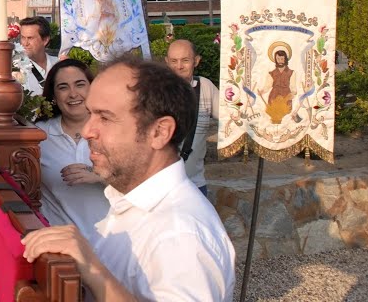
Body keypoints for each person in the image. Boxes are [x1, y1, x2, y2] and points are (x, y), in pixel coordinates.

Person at [23, 56, 235, 300]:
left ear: (159, 132)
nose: (87, 131)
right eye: (91, 114)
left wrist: (93, 270)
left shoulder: (180, 236)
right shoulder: (129, 202)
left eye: (105, 117)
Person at [36, 59, 109, 238]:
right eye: (63, 87)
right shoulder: (38, 135)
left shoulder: (113, 130)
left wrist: (101, 176)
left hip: (115, 245)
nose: (73, 94)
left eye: (80, 84)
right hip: (61, 249)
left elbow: (142, 185)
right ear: (53, 95)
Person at [165, 39, 220, 195]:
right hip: (162, 187)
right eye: (174, 61)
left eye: (185, 60)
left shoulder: (205, 87)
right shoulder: (155, 90)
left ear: (196, 61)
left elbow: (231, 116)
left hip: (195, 184)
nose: (179, 66)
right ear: (167, 62)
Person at [16, 16, 57, 97]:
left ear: (45, 40)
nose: (25, 43)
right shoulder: (15, 69)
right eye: (23, 38)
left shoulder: (59, 64)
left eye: (30, 38)